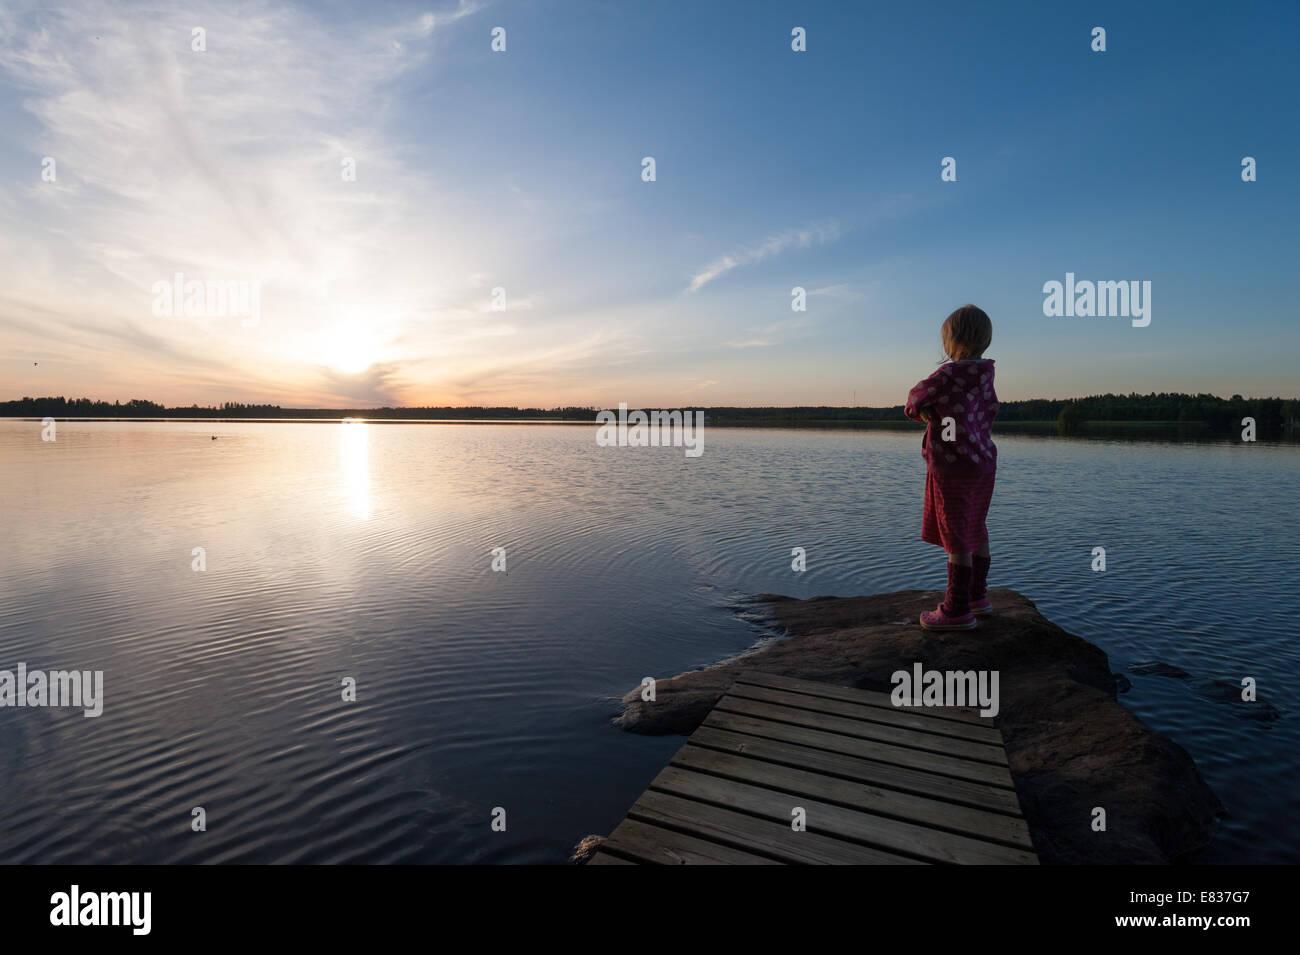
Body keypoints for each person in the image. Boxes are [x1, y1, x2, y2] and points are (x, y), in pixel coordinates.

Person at [903, 305, 999, 630]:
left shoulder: (946, 375)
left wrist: (925, 411)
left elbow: (914, 400)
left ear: (952, 342)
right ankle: (978, 598)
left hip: (952, 466)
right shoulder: (986, 373)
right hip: (983, 463)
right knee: (977, 526)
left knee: (957, 536)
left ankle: (956, 611)